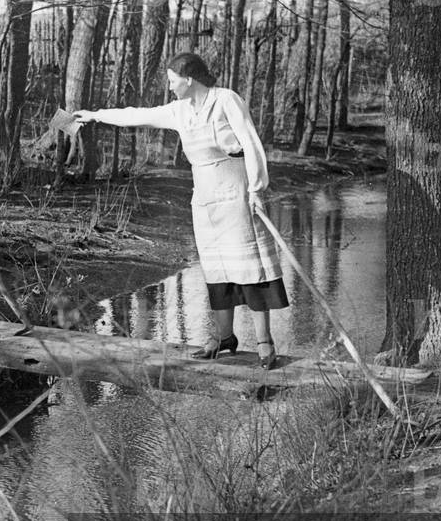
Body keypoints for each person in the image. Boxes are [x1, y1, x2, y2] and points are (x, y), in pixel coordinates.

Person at [74, 52, 288, 368]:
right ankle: (223, 338)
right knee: (217, 270)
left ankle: (265, 343)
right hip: (204, 201)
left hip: (236, 195)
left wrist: (257, 188)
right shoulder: (179, 111)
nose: (170, 87)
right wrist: (94, 115)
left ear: (189, 78)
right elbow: (137, 114)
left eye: (173, 81)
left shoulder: (225, 100)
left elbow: (251, 143)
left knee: (248, 269)